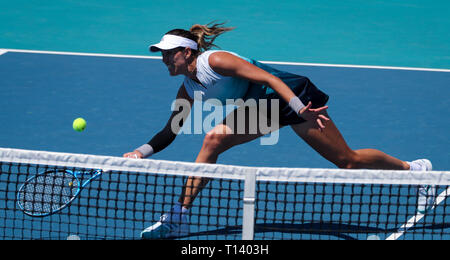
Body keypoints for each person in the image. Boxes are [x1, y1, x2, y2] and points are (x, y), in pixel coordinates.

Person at [123, 22, 435, 239]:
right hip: (260, 110)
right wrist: (140, 152)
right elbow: (170, 130)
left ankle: (415, 170)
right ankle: (179, 216)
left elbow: (270, 80)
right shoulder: (187, 90)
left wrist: (300, 108)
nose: (163, 58)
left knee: (347, 161)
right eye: (161, 53)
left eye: (168, 52)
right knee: (213, 138)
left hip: (292, 97)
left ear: (187, 52)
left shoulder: (215, 61)